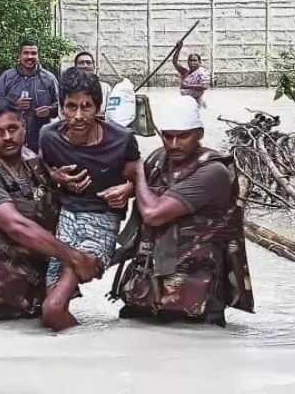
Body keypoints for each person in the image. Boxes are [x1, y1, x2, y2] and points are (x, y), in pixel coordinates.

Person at [108, 96, 254, 327]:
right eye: (167, 136)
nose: (174, 144)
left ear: (200, 134)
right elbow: (144, 190)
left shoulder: (213, 171)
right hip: (146, 291)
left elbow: (153, 214)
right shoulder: (157, 159)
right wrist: (128, 189)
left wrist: (136, 176)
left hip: (195, 298)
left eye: (183, 136)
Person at [0, 98, 101, 322]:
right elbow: (16, 226)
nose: (8, 137)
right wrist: (75, 258)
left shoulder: (32, 161)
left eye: (13, 128)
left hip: (38, 296)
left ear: (23, 126)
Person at [37, 68, 139, 330]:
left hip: (101, 221)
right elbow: (40, 169)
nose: (78, 116)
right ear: (61, 107)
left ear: (98, 107)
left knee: (52, 309)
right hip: (65, 219)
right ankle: (80, 350)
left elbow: (143, 177)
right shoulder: (49, 137)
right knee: (50, 306)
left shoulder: (121, 139)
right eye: (71, 107)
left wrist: (127, 190)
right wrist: (55, 176)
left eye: (86, 107)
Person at [0, 39, 60, 152]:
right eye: (26, 53)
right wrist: (13, 104)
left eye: (33, 53)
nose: (29, 57)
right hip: (10, 140)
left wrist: (50, 110)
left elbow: (62, 106)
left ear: (39, 56)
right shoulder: (7, 77)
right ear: (19, 55)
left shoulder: (49, 79)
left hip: (40, 142)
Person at [72, 50, 112, 116]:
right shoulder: (69, 88)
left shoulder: (105, 88)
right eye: (81, 63)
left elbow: (110, 113)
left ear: (94, 66)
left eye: (88, 63)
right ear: (75, 67)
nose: (85, 66)